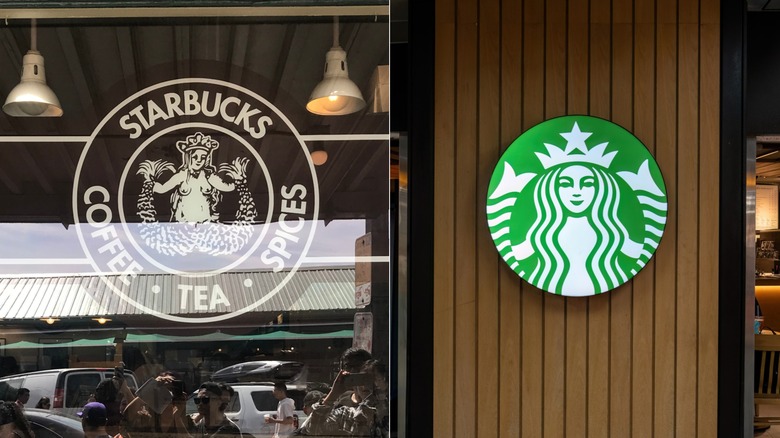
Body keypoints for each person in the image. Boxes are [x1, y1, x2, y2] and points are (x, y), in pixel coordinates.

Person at [299, 359, 388, 437]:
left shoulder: (392, 413)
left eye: (376, 379)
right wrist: (333, 394)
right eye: (363, 379)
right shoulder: (346, 415)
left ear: (386, 383)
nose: (367, 385)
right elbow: (312, 430)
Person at [122, 371, 191, 438]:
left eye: (173, 389)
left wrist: (177, 417)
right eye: (163, 388)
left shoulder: (187, 421)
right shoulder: (146, 419)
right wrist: (151, 386)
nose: (168, 393)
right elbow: (127, 416)